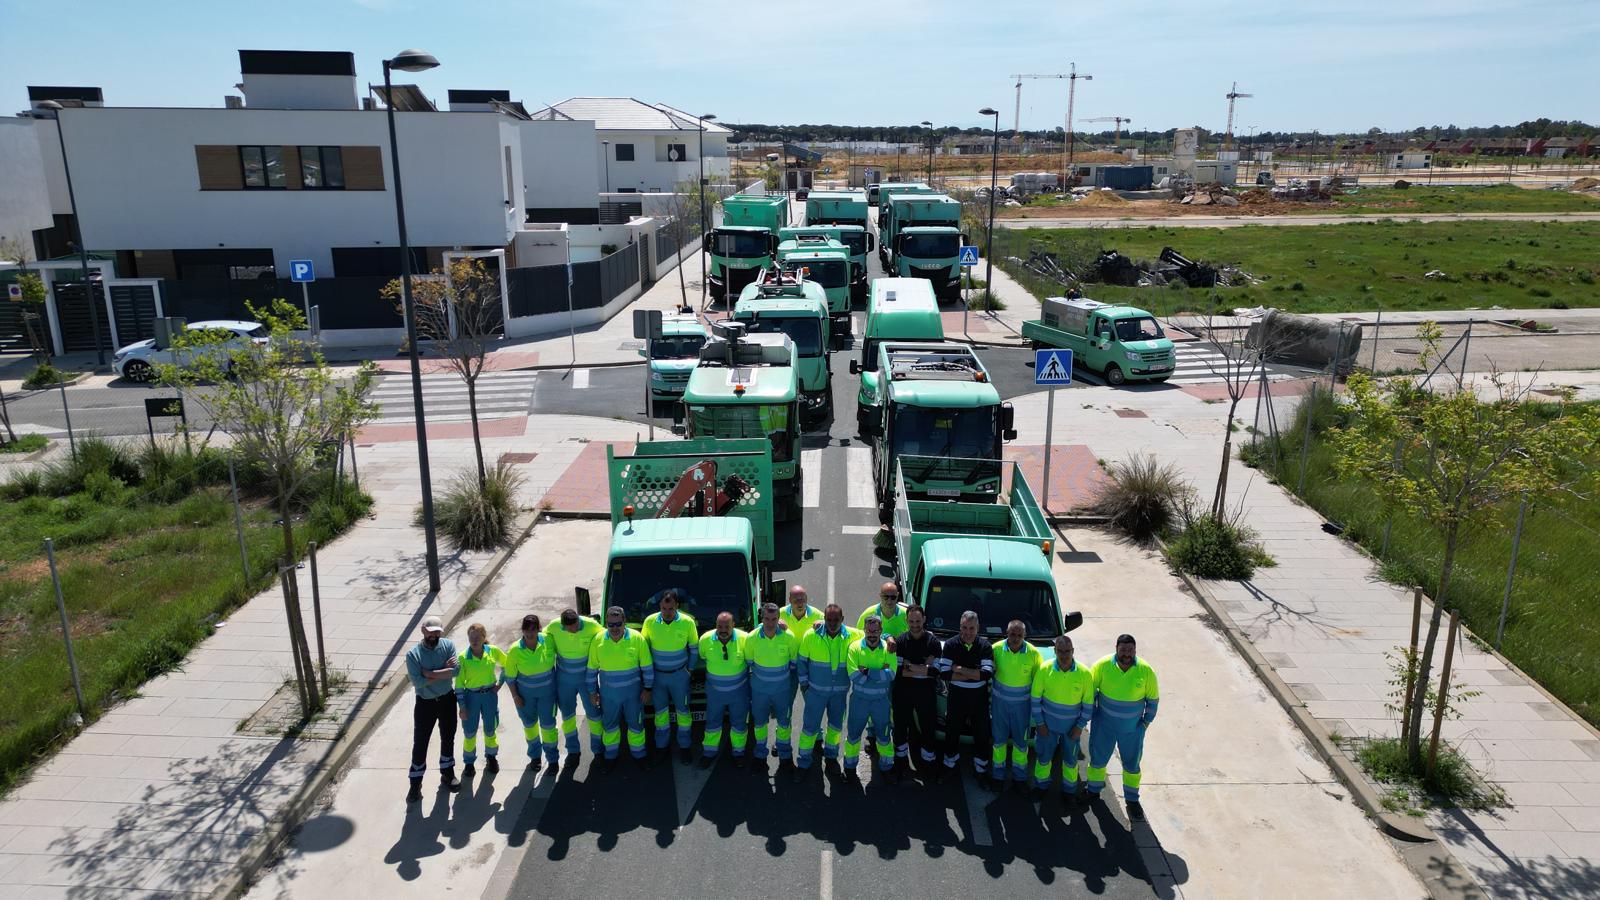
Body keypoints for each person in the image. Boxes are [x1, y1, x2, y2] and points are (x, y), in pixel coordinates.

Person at [1087, 634, 1160, 820]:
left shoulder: (1145, 671)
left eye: (1130, 650)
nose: (1126, 654)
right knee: (1097, 760)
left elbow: (1152, 700)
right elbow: (1090, 692)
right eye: (1123, 650)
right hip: (1104, 727)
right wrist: (1093, 715)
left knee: (1132, 766)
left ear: (1135, 650)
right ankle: (1093, 791)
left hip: (1132, 730)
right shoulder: (1102, 666)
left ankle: (1132, 800)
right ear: (1116, 649)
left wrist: (1145, 723)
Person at [587, 606, 655, 772]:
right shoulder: (598, 640)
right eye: (611, 625)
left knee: (636, 726)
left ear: (625, 622)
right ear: (606, 623)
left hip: (634, 696)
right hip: (609, 697)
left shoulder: (637, 639)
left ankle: (639, 756)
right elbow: (591, 669)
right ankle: (611, 758)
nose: (615, 628)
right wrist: (592, 692)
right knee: (610, 727)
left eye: (618, 624)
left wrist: (647, 689)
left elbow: (647, 667)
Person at [794, 603, 857, 782]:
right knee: (809, 729)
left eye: (836, 619)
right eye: (828, 619)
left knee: (835, 728)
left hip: (839, 695)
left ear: (842, 620)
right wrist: (805, 685)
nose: (832, 623)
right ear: (824, 619)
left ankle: (831, 758)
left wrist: (888, 636)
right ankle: (804, 763)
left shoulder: (853, 635)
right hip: (815, 693)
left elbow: (873, 634)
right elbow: (802, 661)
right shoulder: (811, 635)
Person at [1030, 635, 1093, 802]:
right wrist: (1040, 724)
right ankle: (1040, 787)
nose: (1064, 655)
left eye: (1067, 651)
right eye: (1060, 651)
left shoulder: (1084, 674)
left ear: (1073, 651)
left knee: (1071, 761)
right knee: (1043, 758)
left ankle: (1069, 792)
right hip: (1047, 727)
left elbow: (1088, 706)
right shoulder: (1044, 669)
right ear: (1054, 651)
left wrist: (1079, 727)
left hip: (1071, 729)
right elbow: (1035, 699)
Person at [404, 616, 461, 802]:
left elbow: (456, 671)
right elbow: (418, 683)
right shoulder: (413, 655)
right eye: (431, 631)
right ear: (423, 630)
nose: (434, 635)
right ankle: (415, 784)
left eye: (437, 631)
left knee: (448, 737)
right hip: (425, 704)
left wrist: (429, 673)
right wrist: (442, 671)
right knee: (420, 743)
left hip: (447, 700)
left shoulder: (448, 646)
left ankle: (447, 773)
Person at [935, 610, 994, 783]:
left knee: (982, 734)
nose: (967, 632)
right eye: (964, 628)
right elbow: (945, 674)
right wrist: (973, 673)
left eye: (971, 628)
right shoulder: (951, 645)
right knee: (951, 732)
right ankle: (949, 766)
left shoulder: (985, 646)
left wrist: (958, 669)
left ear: (978, 628)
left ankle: (981, 770)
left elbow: (986, 674)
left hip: (978, 698)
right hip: (957, 697)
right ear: (960, 627)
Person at [641, 590, 699, 764]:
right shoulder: (650, 621)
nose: (667, 612)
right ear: (660, 606)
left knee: (683, 714)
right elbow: (644, 650)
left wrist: (689, 670)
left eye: (670, 608)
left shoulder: (688, 622)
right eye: (664, 608)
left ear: (677, 606)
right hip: (658, 678)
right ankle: (662, 747)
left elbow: (694, 649)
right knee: (661, 715)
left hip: (679, 676)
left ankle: (685, 747)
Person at [844, 615, 898, 784]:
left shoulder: (889, 649)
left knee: (884, 736)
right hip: (859, 701)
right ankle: (850, 770)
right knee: (853, 736)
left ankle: (887, 768)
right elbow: (854, 675)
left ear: (881, 631)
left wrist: (867, 671)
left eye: (876, 631)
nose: (872, 634)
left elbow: (891, 675)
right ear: (864, 631)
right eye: (869, 630)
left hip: (881, 703)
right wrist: (880, 672)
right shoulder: (854, 648)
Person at [990, 620, 1043, 793]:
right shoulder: (996, 649)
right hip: (1000, 706)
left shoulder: (1033, 654)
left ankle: (1019, 778)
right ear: (1007, 632)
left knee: (1021, 743)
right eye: (1012, 634)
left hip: (1022, 707)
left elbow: (1038, 682)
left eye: (1019, 635)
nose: (1015, 638)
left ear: (1025, 636)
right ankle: (998, 776)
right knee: (999, 742)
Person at [546, 608, 604, 762]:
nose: (573, 630)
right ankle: (573, 751)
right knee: (568, 716)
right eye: (569, 628)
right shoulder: (554, 626)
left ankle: (598, 750)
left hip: (587, 680)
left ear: (579, 619)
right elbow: (542, 638)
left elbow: (606, 638)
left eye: (576, 626)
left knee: (594, 715)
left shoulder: (592, 625)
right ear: (562, 625)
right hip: (564, 681)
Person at [503, 614, 560, 772]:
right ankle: (535, 757)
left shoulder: (548, 640)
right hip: (525, 698)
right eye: (526, 630)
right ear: (522, 630)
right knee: (530, 727)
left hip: (547, 695)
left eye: (533, 629)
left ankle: (553, 760)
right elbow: (510, 677)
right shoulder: (515, 650)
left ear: (539, 629)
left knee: (549, 727)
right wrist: (515, 696)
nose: (530, 633)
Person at [747, 602, 801, 766]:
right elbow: (749, 662)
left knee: (784, 723)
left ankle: (785, 757)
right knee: (760, 724)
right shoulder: (751, 638)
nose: (770, 623)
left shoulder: (789, 637)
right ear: (761, 618)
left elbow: (793, 663)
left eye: (774, 619)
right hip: (759, 691)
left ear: (779, 619)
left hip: (782, 691)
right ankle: (760, 756)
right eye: (767, 619)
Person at [892, 605, 942, 774]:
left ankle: (927, 762)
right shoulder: (900, 641)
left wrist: (909, 666)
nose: (915, 625)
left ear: (924, 620)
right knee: (900, 726)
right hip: (903, 691)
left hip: (925, 692)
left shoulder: (933, 642)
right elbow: (898, 671)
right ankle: (900, 760)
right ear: (906, 621)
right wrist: (923, 667)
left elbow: (935, 672)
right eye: (911, 621)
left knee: (928, 726)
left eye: (918, 621)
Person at [699, 612, 752, 768]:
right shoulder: (705, 639)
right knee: (712, 724)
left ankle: (738, 753)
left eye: (727, 626)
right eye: (719, 626)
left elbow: (750, 660)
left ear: (733, 625)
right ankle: (709, 753)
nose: (722, 630)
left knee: (739, 725)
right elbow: (703, 656)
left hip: (739, 694)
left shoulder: (745, 639)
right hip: (715, 695)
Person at [455, 622, 507, 777]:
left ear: (484, 637)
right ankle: (469, 763)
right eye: (471, 637)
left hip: (490, 696)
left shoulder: (493, 651)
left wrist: (499, 683)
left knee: (490, 729)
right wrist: (462, 707)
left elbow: (508, 665)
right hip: (471, 697)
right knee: (470, 732)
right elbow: (458, 685)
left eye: (477, 637)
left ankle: (491, 757)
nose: (474, 640)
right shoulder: (463, 658)